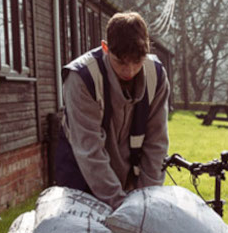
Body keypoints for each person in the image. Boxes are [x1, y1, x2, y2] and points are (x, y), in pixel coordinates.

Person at [55, 12, 170, 208]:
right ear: (105, 48)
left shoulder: (156, 76)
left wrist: (145, 203)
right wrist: (121, 205)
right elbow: (90, 151)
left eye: (137, 61)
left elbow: (156, 144)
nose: (129, 70)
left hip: (130, 179)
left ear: (147, 50)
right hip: (81, 177)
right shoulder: (82, 78)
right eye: (121, 62)